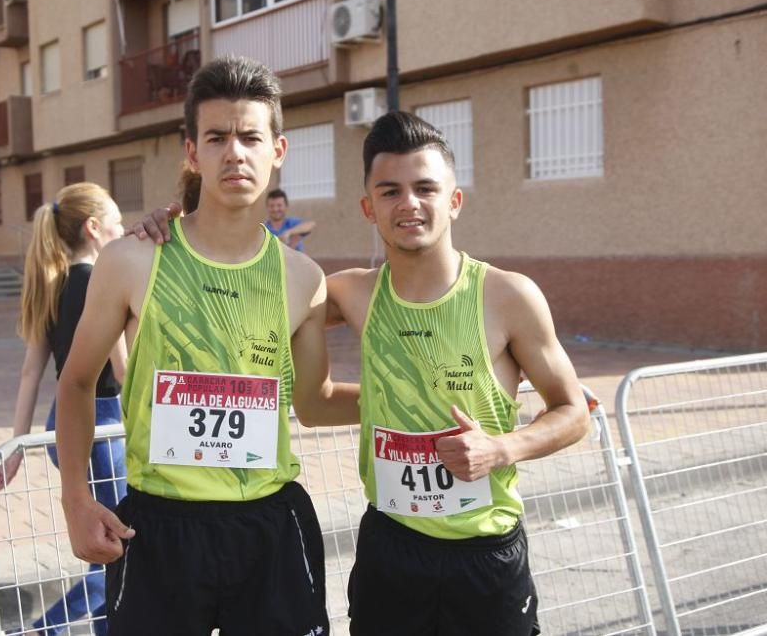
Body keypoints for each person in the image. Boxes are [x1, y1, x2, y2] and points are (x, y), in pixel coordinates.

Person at [132, 111, 591, 635]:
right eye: (391, 191)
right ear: (368, 207)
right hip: (390, 550)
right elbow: (258, 293)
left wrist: (503, 448)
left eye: (425, 188)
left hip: (484, 555)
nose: (410, 204)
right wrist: (185, 224)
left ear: (455, 201)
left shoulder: (508, 295)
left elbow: (574, 411)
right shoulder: (350, 293)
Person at [55, 56, 357, 636]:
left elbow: (314, 404)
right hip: (160, 528)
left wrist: (407, 400)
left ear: (278, 151)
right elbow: (76, 382)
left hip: (269, 528)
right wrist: (75, 500)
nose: (235, 153)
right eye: (217, 137)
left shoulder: (302, 277)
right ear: (192, 152)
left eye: (250, 137)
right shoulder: (133, 259)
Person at [0, 182, 128, 636]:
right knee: (116, 548)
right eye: (118, 222)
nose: (124, 229)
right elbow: (124, 371)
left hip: (61, 424)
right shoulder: (101, 283)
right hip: (103, 424)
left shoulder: (51, 285)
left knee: (106, 541)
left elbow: (31, 374)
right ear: (94, 228)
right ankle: (42, 630)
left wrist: (16, 447)